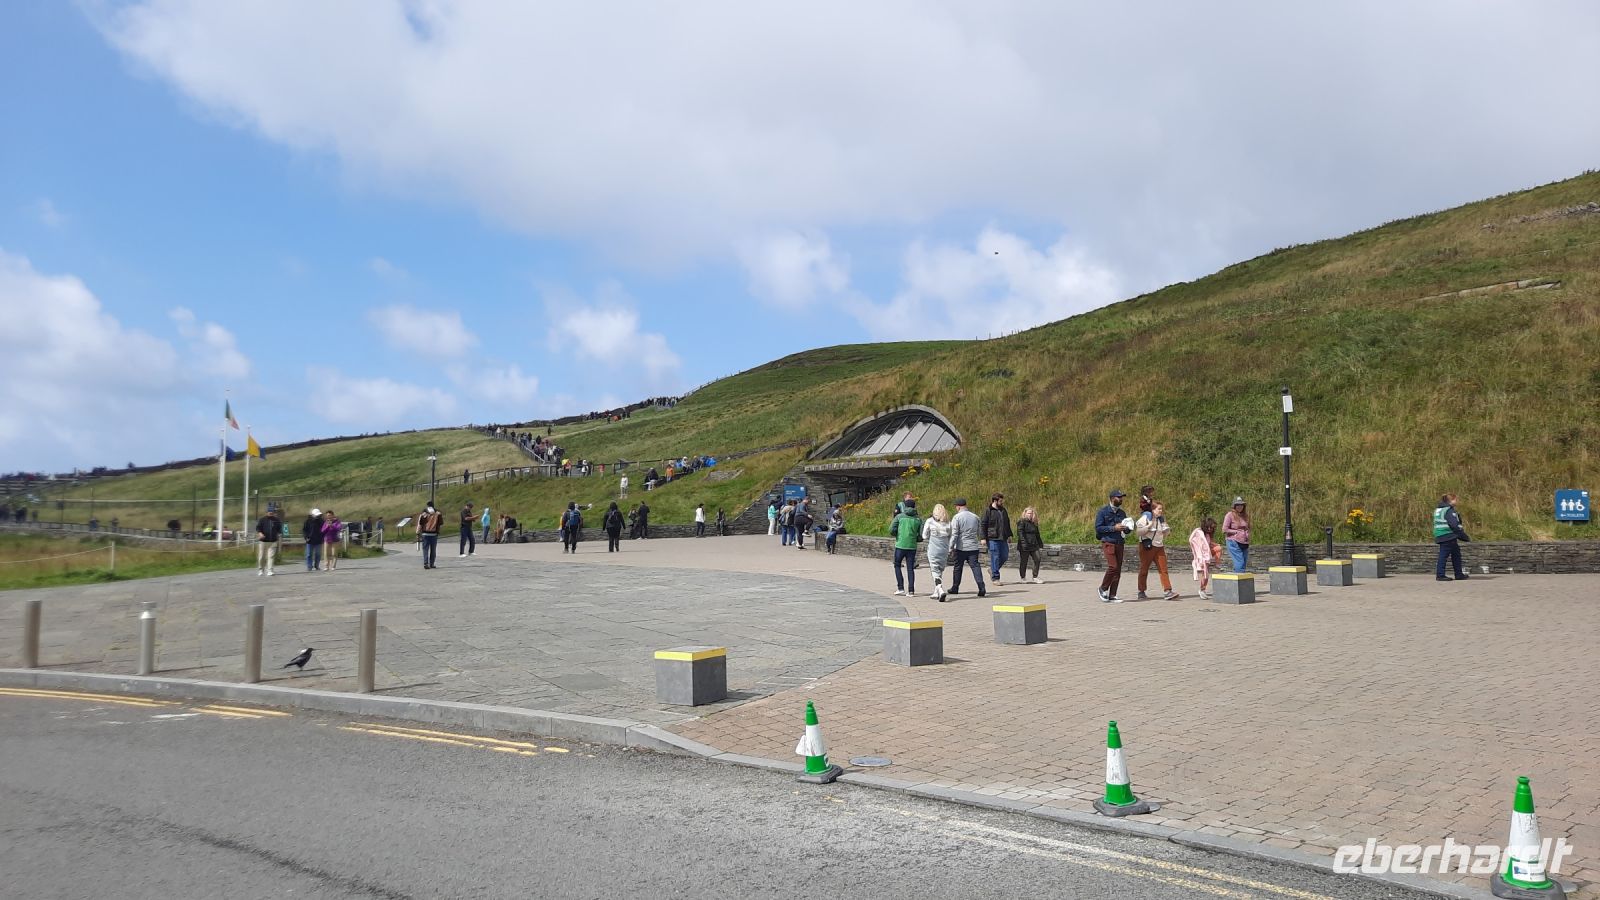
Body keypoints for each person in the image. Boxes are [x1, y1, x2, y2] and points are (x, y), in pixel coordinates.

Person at [1095, 490, 1132, 602]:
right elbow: (1098, 528)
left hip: (1120, 543)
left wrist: (1127, 528)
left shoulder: (1122, 513)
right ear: (1112, 498)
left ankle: (1113, 595)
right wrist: (1113, 528)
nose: (1121, 499)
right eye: (1118, 497)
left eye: (1122, 497)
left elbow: (1126, 531)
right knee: (1113, 566)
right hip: (1108, 542)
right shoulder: (1103, 512)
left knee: (1118, 570)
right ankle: (1102, 588)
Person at [1136, 501, 1177, 600]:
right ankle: (1141, 591)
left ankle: (1168, 591)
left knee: (1163, 569)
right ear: (1153, 509)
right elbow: (1138, 532)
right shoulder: (1146, 517)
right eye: (1159, 509)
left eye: (1161, 509)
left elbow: (1166, 533)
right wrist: (1148, 527)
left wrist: (1166, 530)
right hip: (1147, 546)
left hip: (1159, 546)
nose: (1161, 511)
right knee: (1144, 569)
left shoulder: (1161, 519)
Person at [948, 498, 986, 597]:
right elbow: (979, 532)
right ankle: (981, 587)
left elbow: (955, 534)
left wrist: (950, 547)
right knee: (975, 566)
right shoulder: (975, 517)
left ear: (958, 506)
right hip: (973, 546)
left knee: (958, 567)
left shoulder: (957, 517)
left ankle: (955, 587)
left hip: (961, 547)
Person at [1433, 493, 1471, 581]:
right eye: (1455, 499)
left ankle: (1458, 574)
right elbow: (1454, 524)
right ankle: (1440, 575)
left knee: (1456, 554)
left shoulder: (1439, 509)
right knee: (1444, 555)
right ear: (1451, 501)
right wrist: (1463, 536)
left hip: (1441, 534)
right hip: (1448, 535)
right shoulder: (1449, 510)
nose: (1457, 501)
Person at [889, 500, 922, 596]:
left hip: (900, 544)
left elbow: (891, 529)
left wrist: (897, 535)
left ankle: (900, 588)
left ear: (905, 506)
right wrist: (916, 539)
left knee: (897, 565)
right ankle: (911, 591)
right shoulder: (918, 519)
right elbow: (921, 534)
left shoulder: (899, 517)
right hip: (912, 546)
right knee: (910, 568)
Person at [922, 504, 954, 600]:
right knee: (940, 569)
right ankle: (936, 592)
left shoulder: (930, 521)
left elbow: (924, 536)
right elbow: (951, 535)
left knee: (934, 570)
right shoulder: (948, 523)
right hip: (944, 548)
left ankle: (939, 588)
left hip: (933, 548)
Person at [982, 494, 1013, 584]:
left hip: (1003, 537)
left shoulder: (1003, 510)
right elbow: (983, 524)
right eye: (1000, 501)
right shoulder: (988, 511)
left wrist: (1009, 535)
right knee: (995, 557)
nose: (1002, 502)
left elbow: (1007, 523)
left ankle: (992, 569)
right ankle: (995, 578)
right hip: (992, 538)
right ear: (995, 501)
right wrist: (983, 537)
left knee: (1004, 556)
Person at [1188, 516, 1222, 600]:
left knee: (1219, 548)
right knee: (1205, 574)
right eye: (1208, 527)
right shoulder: (1199, 533)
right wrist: (1200, 557)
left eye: (1212, 527)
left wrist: (1215, 545)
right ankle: (1202, 589)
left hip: (1207, 554)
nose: (1210, 529)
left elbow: (1208, 544)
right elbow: (1196, 543)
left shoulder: (1208, 534)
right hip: (1202, 556)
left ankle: (1217, 563)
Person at [1016, 506, 1044, 585]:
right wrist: (1023, 544)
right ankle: (1023, 577)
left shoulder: (1034, 523)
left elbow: (1037, 534)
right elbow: (1020, 533)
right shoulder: (1021, 522)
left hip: (1034, 544)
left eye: (1031, 513)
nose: (1030, 515)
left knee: (1037, 558)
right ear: (1025, 513)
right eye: (1028, 513)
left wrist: (1040, 544)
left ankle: (1035, 576)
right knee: (1024, 561)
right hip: (1024, 545)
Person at [1222, 497, 1250, 573]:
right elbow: (1224, 529)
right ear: (1234, 506)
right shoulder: (1230, 515)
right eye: (1237, 505)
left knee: (1243, 562)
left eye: (1241, 505)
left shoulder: (1245, 516)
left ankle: (1239, 580)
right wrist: (1236, 532)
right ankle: (1239, 581)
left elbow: (1248, 527)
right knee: (1239, 562)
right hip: (1233, 541)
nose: (1240, 507)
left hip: (1244, 542)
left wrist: (1247, 534)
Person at [255, 508, 282, 576]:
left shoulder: (277, 520)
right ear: (266, 512)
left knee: (271, 556)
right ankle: (261, 569)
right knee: (261, 556)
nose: (271, 513)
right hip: (263, 541)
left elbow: (279, 530)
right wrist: (260, 534)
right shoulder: (262, 520)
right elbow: (258, 528)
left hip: (273, 541)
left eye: (272, 512)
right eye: (269, 512)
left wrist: (279, 534)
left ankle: (270, 570)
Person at [418, 504, 442, 569]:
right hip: (434, 534)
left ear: (427, 506)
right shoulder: (438, 513)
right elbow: (440, 523)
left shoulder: (424, 513)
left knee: (425, 549)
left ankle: (426, 563)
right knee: (433, 550)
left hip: (425, 534)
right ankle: (432, 564)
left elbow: (420, 524)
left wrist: (418, 532)